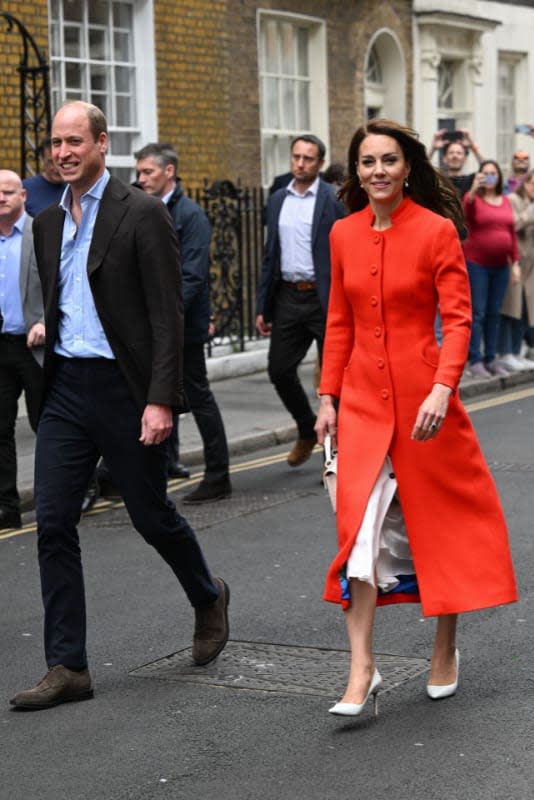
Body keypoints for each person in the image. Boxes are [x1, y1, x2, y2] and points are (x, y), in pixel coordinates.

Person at [9, 101, 230, 710]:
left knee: (150, 515)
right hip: (65, 389)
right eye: (55, 143)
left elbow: (167, 312)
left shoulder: (142, 213)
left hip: (125, 391)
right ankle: (68, 665)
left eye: (75, 141)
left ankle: (208, 593)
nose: (63, 152)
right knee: (52, 522)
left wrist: (161, 400)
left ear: (102, 144)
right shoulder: (48, 222)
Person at [315, 119, 517, 719]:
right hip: (358, 406)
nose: (377, 171)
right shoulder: (343, 234)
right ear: (356, 171)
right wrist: (327, 399)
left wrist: (441, 388)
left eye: (389, 161)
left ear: (408, 169)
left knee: (438, 531)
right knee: (359, 541)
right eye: (367, 161)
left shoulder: (435, 232)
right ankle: (362, 670)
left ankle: (445, 648)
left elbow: (458, 322)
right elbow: (338, 323)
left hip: (427, 408)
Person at [134, 142, 231, 503]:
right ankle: (163, 466)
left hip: (181, 325)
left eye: (148, 172)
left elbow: (191, 277)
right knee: (157, 395)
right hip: (150, 324)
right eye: (140, 172)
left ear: (168, 172)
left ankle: (218, 475)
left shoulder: (190, 216)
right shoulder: (141, 209)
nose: (141, 178)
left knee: (196, 395)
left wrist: (163, 318)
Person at [256, 134, 345, 467]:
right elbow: (270, 254)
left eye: (308, 158)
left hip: (326, 299)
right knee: (279, 370)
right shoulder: (278, 198)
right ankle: (307, 428)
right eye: (296, 157)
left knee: (334, 382)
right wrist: (263, 306)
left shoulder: (334, 199)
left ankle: (339, 449)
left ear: (319, 163)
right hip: (289, 298)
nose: (300, 163)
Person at [0, 170, 45, 530]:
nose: (2, 198)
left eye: (8, 192)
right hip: (1, 347)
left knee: (46, 424)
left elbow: (60, 284)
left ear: (23, 196)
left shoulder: (39, 234)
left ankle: (57, 498)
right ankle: (6, 507)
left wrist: (44, 321)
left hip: (34, 345)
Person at [464, 160, 521, 378]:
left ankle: (491, 359)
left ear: (498, 177)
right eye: (485, 173)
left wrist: (514, 264)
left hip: (501, 267)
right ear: (479, 176)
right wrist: (473, 188)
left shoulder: (505, 201)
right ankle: (475, 360)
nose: (489, 176)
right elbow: (464, 212)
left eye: (492, 173)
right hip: (477, 264)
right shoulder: (474, 200)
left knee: (494, 313)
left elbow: (512, 234)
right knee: (477, 313)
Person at [498, 170, 534, 370]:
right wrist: (530, 212)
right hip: (514, 263)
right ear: (524, 183)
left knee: (525, 311)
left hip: (531, 266)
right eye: (532, 183)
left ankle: (517, 350)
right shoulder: (512, 199)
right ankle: (506, 352)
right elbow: (513, 224)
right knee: (510, 309)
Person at [428, 128, 484, 196]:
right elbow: (420, 171)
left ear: (465, 159)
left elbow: (488, 168)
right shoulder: (439, 181)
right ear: (444, 159)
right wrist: (433, 148)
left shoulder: (472, 180)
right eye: (451, 153)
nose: (455, 156)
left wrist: (472, 145)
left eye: (459, 153)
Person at [22, 137, 65, 216]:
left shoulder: (77, 187)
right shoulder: (26, 188)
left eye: (60, 161)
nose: (56, 168)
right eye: (51, 162)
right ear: (42, 159)